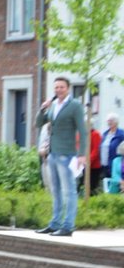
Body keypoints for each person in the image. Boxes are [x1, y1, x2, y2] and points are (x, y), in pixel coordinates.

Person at [35, 76, 87, 237]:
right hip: (52, 153)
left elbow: (83, 131)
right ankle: (55, 223)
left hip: (67, 154)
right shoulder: (53, 106)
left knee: (69, 191)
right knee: (55, 190)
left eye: (61, 87)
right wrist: (43, 109)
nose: (58, 90)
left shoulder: (75, 106)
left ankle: (68, 226)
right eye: (56, 87)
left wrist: (82, 154)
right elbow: (39, 123)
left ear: (68, 88)